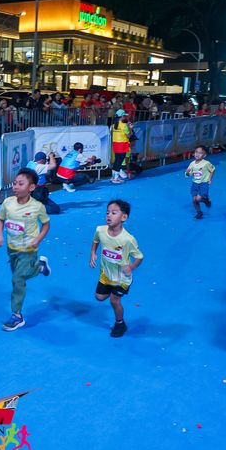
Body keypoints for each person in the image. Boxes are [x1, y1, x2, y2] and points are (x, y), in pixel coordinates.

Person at [0, 168, 51, 331]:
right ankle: (40, 266)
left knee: (18, 279)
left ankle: (17, 316)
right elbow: (0, 220)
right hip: (12, 248)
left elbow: (46, 225)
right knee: (19, 276)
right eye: (14, 183)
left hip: (28, 249)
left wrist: (38, 239)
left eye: (21, 184)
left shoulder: (37, 207)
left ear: (31, 187)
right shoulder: (8, 203)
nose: (16, 187)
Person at [90, 199, 144, 338]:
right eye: (107, 212)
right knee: (99, 297)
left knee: (114, 301)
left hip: (122, 278)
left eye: (114, 213)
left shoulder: (128, 239)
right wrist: (93, 253)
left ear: (124, 217)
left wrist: (131, 267)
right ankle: (111, 290)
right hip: (106, 274)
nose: (109, 215)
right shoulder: (100, 230)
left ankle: (120, 323)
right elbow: (96, 241)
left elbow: (139, 257)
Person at [184, 145, 215, 219]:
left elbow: (213, 170)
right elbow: (187, 174)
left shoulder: (206, 163)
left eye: (200, 153)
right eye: (196, 152)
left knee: (198, 198)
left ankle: (206, 200)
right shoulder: (192, 164)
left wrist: (210, 179)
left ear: (204, 155)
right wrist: (187, 172)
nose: (197, 154)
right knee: (194, 200)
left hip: (203, 183)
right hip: (195, 184)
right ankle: (199, 212)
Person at [111, 109, 132, 183]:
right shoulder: (124, 125)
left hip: (116, 144)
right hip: (122, 144)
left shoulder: (113, 125)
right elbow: (129, 136)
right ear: (122, 117)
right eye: (124, 116)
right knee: (119, 162)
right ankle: (115, 179)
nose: (125, 117)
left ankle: (113, 177)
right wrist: (130, 128)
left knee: (117, 160)